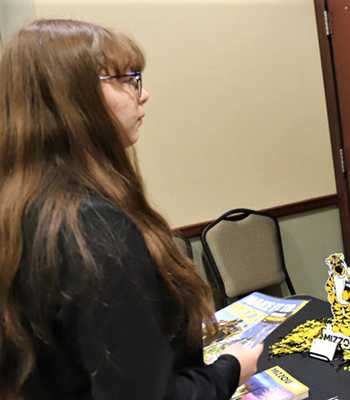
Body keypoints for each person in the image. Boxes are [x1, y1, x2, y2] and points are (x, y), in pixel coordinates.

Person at [0, 19, 263, 400]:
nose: (143, 94)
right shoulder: (91, 227)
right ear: (74, 97)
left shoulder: (21, 208)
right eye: (126, 79)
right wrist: (230, 369)